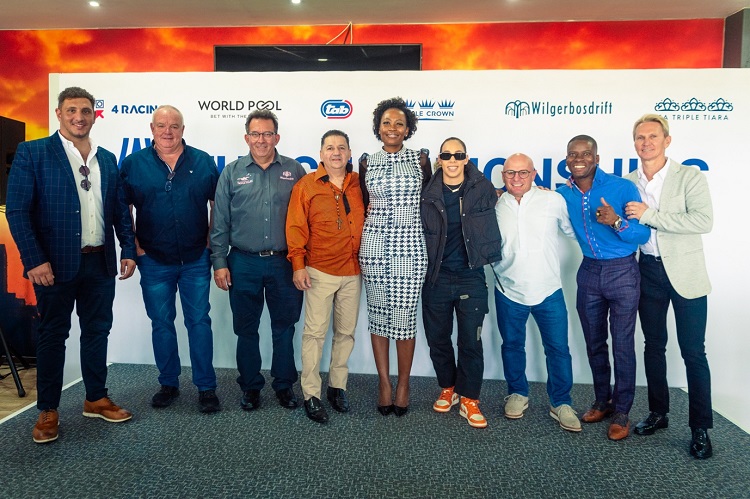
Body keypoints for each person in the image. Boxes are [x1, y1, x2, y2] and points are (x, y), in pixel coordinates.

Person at [6, 86, 137, 443]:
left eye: (86, 111)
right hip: (53, 266)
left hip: (100, 262)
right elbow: (17, 211)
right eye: (72, 111)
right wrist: (34, 260)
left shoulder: (106, 158)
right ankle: (48, 409)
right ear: (59, 114)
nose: (79, 117)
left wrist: (128, 249)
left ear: (95, 115)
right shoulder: (33, 152)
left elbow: (118, 210)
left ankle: (95, 398)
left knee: (97, 332)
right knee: (53, 335)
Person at [120, 105, 220, 413]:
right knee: (162, 323)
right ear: (152, 129)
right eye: (161, 125)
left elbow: (218, 204)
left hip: (195, 258)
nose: (168, 131)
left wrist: (211, 240)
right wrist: (133, 246)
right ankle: (168, 383)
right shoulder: (134, 164)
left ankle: (206, 387)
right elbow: (123, 209)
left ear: (182, 129)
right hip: (153, 259)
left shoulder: (203, 161)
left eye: (174, 126)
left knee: (199, 322)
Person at [625, 114, 714, 459]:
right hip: (647, 270)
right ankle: (658, 413)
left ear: (667, 140)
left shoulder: (689, 176)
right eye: (640, 137)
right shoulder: (628, 181)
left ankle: (700, 428)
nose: (646, 142)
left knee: (693, 352)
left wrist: (649, 215)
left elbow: (703, 221)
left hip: (686, 274)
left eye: (652, 136)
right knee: (653, 346)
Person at [210, 110, 306, 411]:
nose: (261, 139)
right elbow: (220, 221)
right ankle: (250, 386)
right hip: (243, 262)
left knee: (285, 327)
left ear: (277, 137)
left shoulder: (294, 170)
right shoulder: (231, 172)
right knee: (246, 328)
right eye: (255, 133)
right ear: (246, 137)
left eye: (267, 134)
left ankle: (284, 385)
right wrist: (219, 262)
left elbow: (307, 218)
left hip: (284, 263)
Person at [556, 135, 650, 441]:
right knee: (594, 342)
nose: (578, 159)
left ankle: (622, 411)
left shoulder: (622, 187)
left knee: (622, 344)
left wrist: (617, 222)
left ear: (596, 158)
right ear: (566, 160)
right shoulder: (563, 194)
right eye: (573, 154)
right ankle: (602, 401)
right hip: (589, 271)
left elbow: (642, 235)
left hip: (623, 271)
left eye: (585, 154)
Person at [493, 153, 580, 432]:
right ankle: (517, 393)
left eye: (523, 172)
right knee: (511, 345)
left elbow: (574, 232)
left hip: (548, 289)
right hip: (507, 289)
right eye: (510, 173)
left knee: (558, 349)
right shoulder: (494, 203)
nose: (516, 178)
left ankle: (561, 402)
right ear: (503, 176)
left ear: (533, 174)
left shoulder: (553, 200)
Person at [285, 129, 365, 423]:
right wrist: (298, 265)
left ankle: (337, 387)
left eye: (341, 147)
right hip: (319, 271)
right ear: (321, 154)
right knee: (315, 334)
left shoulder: (359, 183)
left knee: (345, 333)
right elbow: (295, 227)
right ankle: (311, 394)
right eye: (330, 148)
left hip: (353, 272)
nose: (336, 152)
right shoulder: (306, 186)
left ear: (349, 153)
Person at [420, 137, 501, 428]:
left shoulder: (482, 188)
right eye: (446, 155)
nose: (452, 160)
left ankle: (469, 398)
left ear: (467, 159)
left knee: (470, 340)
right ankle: (449, 387)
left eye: (458, 155)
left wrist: (537, 190)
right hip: (436, 277)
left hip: (470, 276)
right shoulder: (426, 191)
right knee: (438, 338)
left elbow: (511, 196)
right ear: (439, 160)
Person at [360, 97, 431, 416]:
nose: (392, 128)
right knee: (378, 315)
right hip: (374, 244)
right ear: (378, 127)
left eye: (399, 123)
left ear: (408, 129)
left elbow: (432, 200)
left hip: (410, 245)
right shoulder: (366, 162)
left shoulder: (421, 160)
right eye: (386, 122)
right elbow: (363, 202)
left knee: (404, 317)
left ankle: (403, 384)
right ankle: (384, 383)